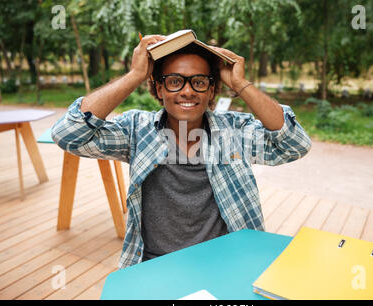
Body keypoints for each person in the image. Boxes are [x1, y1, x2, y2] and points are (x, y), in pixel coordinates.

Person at [51, 34, 312, 269]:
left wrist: (240, 83)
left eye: (199, 82)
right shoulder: (136, 130)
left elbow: (295, 144)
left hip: (227, 261)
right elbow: (68, 134)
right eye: (175, 81)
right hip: (155, 265)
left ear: (211, 90)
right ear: (159, 88)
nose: (187, 91)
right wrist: (135, 75)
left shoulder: (234, 131)